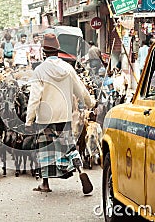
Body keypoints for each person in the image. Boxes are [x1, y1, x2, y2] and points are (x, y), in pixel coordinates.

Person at [25, 33, 95, 194]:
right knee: (69, 146)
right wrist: (91, 103)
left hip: (45, 118)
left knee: (45, 149)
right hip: (65, 116)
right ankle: (80, 170)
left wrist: (29, 121)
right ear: (58, 51)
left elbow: (34, 98)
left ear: (44, 51)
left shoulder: (40, 70)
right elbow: (81, 91)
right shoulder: (68, 68)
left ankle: (45, 184)